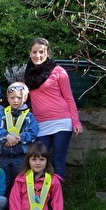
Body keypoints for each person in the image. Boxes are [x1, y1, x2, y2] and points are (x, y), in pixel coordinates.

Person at [23, 37, 83, 180]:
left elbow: (69, 98)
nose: (38, 55)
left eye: (41, 52)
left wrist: (76, 122)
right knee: (40, 160)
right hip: (40, 124)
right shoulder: (28, 74)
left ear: (47, 53)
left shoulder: (59, 71)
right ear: (30, 53)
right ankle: (41, 196)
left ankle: (57, 196)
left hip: (61, 122)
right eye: (34, 52)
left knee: (58, 160)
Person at [9, 142, 79, 210]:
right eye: (34, 159)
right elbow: (14, 199)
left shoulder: (53, 180)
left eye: (41, 159)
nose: (38, 163)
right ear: (28, 161)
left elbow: (57, 202)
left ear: (47, 161)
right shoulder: (21, 178)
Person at [0, 82, 39, 194]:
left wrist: (16, 139)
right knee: (4, 182)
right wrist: (7, 137)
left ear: (25, 98)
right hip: (4, 156)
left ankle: (17, 206)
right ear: (7, 99)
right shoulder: (2, 114)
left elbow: (32, 133)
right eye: (12, 98)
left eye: (19, 98)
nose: (15, 100)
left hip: (21, 156)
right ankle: (6, 206)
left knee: (19, 182)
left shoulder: (29, 116)